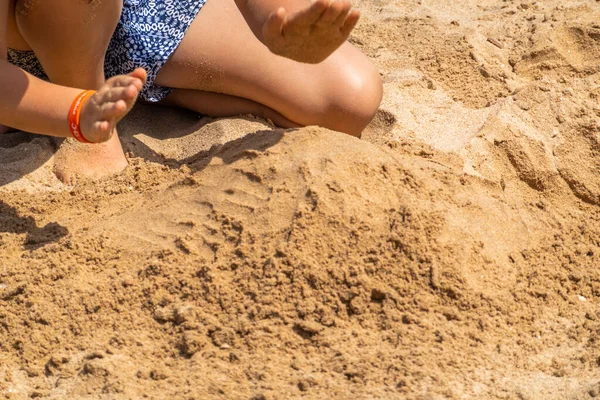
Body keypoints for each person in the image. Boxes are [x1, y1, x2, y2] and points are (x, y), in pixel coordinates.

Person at [4, 0, 383, 183]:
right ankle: (86, 105)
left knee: (346, 100)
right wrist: (75, 110)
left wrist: (271, 21)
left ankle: (152, 87)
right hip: (26, 35)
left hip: (140, 12)